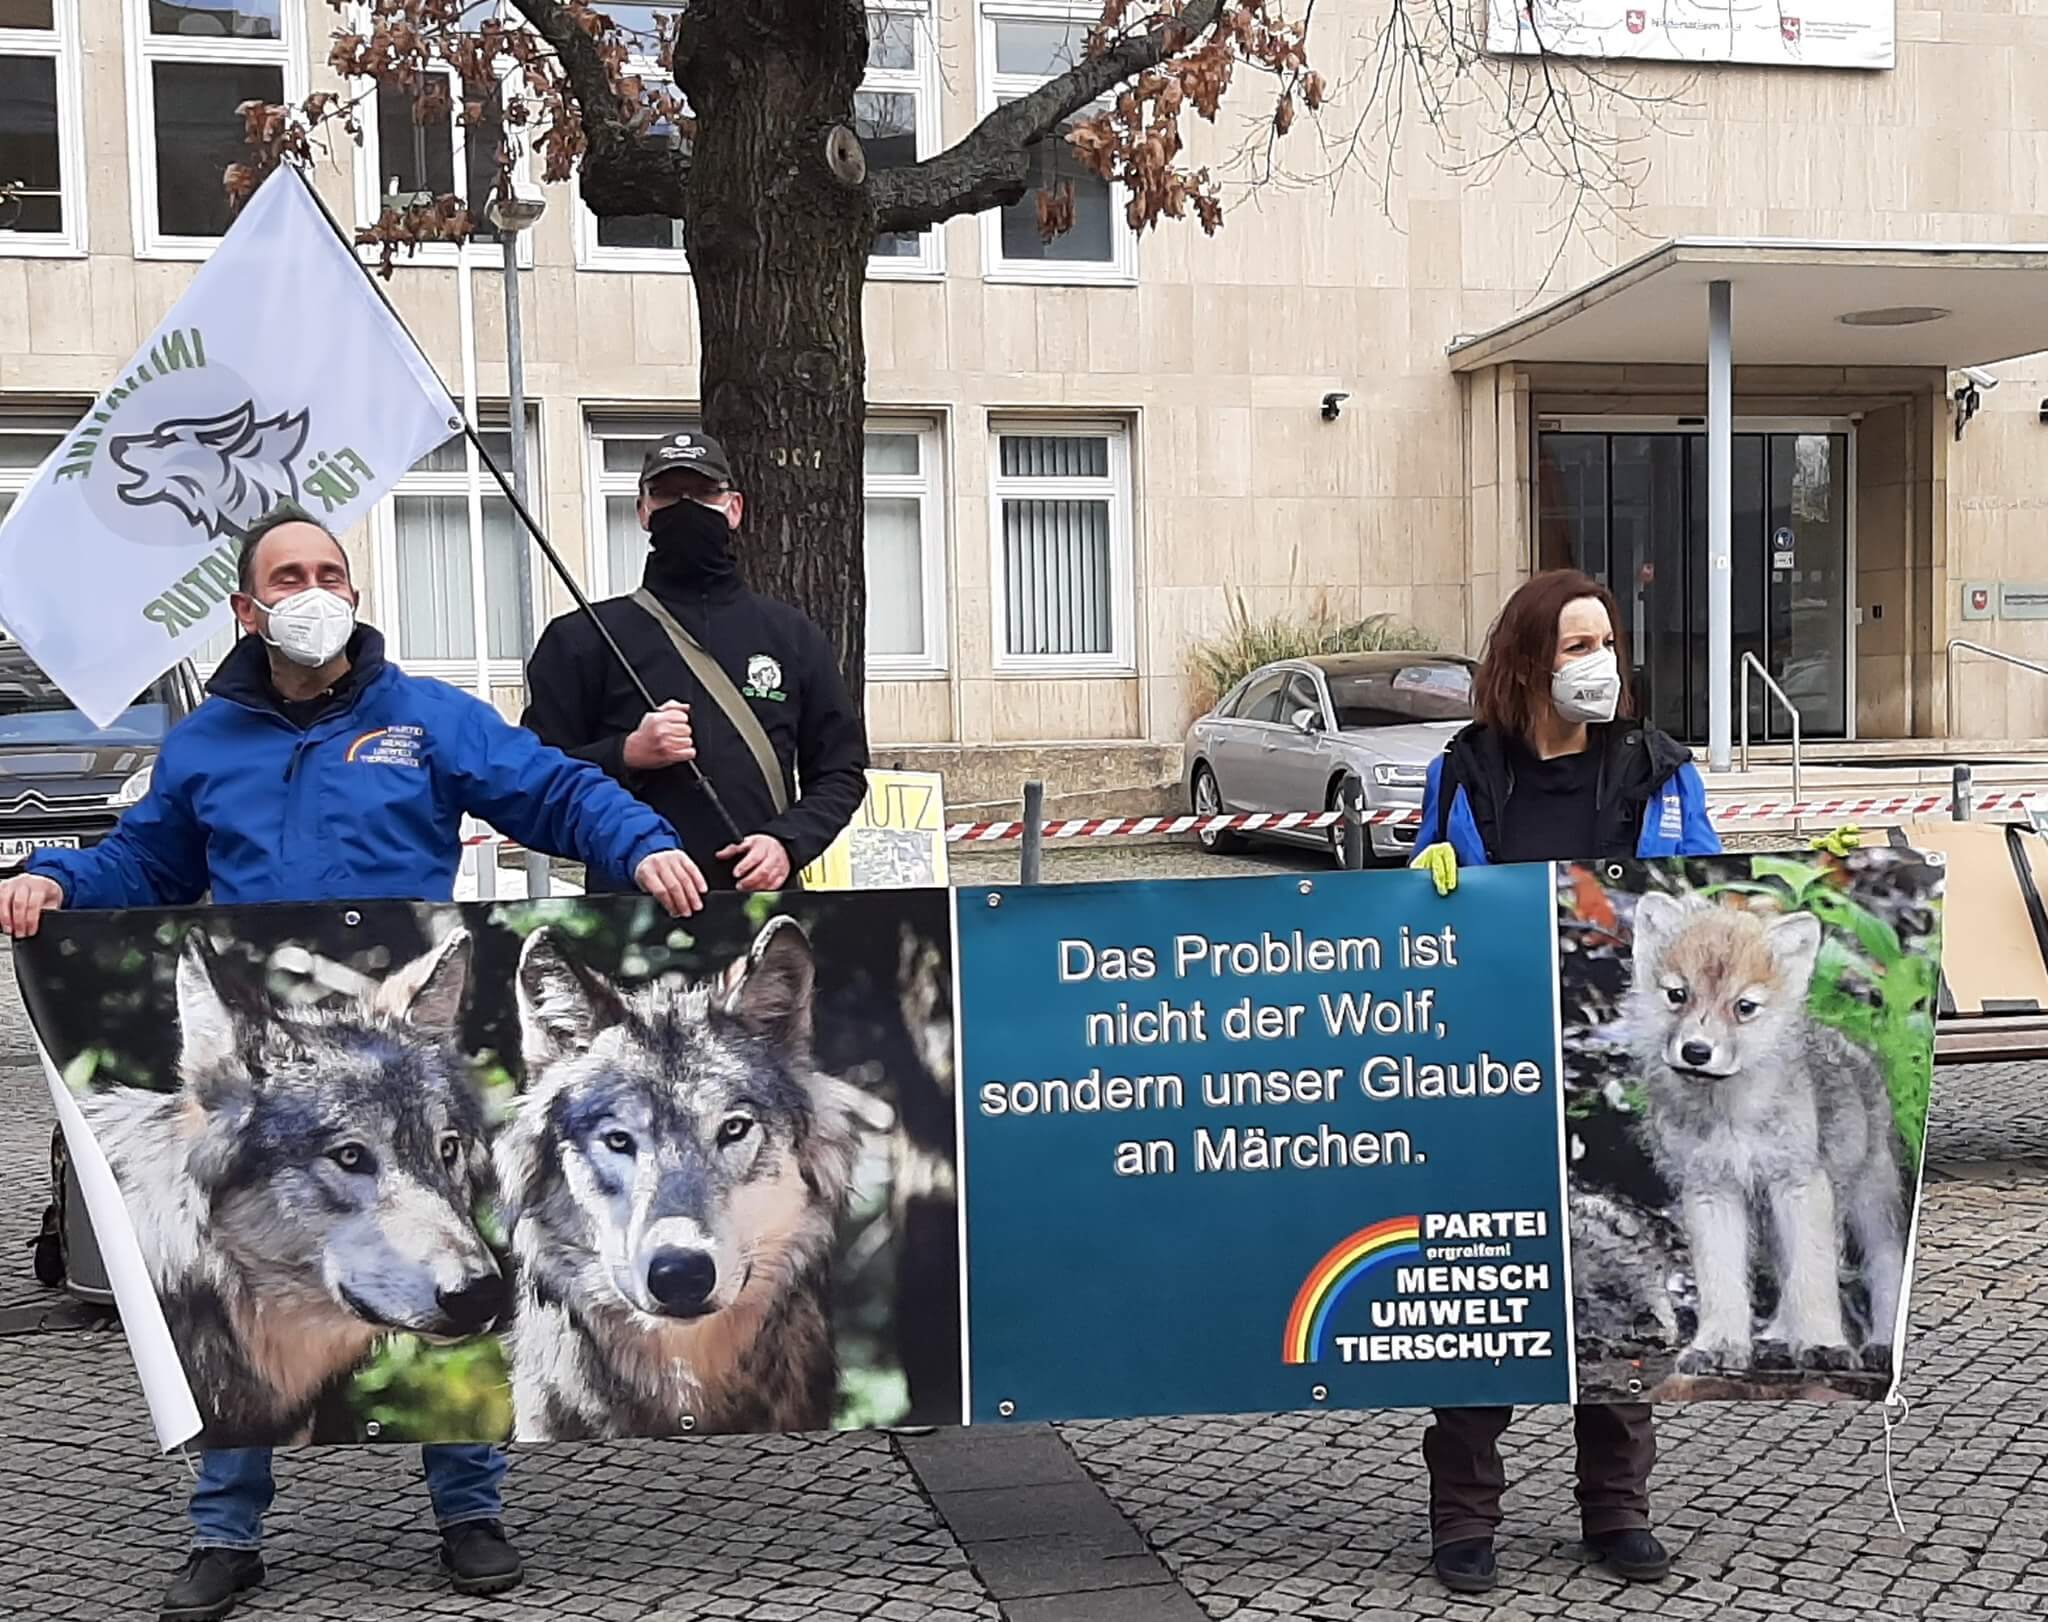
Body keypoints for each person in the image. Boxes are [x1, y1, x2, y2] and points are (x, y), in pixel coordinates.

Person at [0, 509, 708, 1622]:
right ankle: (226, 1533)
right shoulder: (205, 741)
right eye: (290, 575)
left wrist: (644, 841)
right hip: (276, 1080)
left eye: (332, 572)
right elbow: (146, 855)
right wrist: (55, 876)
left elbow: (554, 789)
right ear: (248, 607)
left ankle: (468, 1510)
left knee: (450, 1266)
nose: (315, 589)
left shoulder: (422, 717)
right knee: (245, 1287)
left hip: (407, 1062)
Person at [1407, 568, 1720, 1597]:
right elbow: (1418, 914)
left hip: (1620, 1082)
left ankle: (1615, 1508)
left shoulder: (1657, 768)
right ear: (1527, 660)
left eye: (1606, 641)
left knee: (1618, 1296)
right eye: (1575, 644)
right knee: (1480, 1293)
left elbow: (1706, 905)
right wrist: (1422, 887)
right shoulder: (1463, 770)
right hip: (1492, 1078)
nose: (1598, 663)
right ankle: (1462, 1519)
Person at [521, 429, 868, 894]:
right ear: (643, 511)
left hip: (758, 907)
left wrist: (787, 843)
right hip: (627, 918)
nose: (686, 506)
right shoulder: (581, 637)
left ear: (734, 508)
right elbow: (533, 782)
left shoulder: (792, 635)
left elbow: (841, 771)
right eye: (667, 494)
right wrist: (625, 753)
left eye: (705, 493)